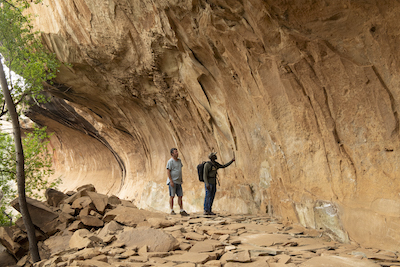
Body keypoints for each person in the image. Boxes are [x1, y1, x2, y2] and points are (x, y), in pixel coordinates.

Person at [166, 148, 189, 216]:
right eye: (175, 152)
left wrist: (181, 179)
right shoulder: (170, 161)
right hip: (173, 181)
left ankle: (181, 210)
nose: (177, 153)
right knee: (172, 196)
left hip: (178, 181)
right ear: (172, 154)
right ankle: (171, 210)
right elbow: (168, 171)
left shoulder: (179, 161)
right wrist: (171, 181)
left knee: (180, 196)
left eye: (177, 152)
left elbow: (179, 170)